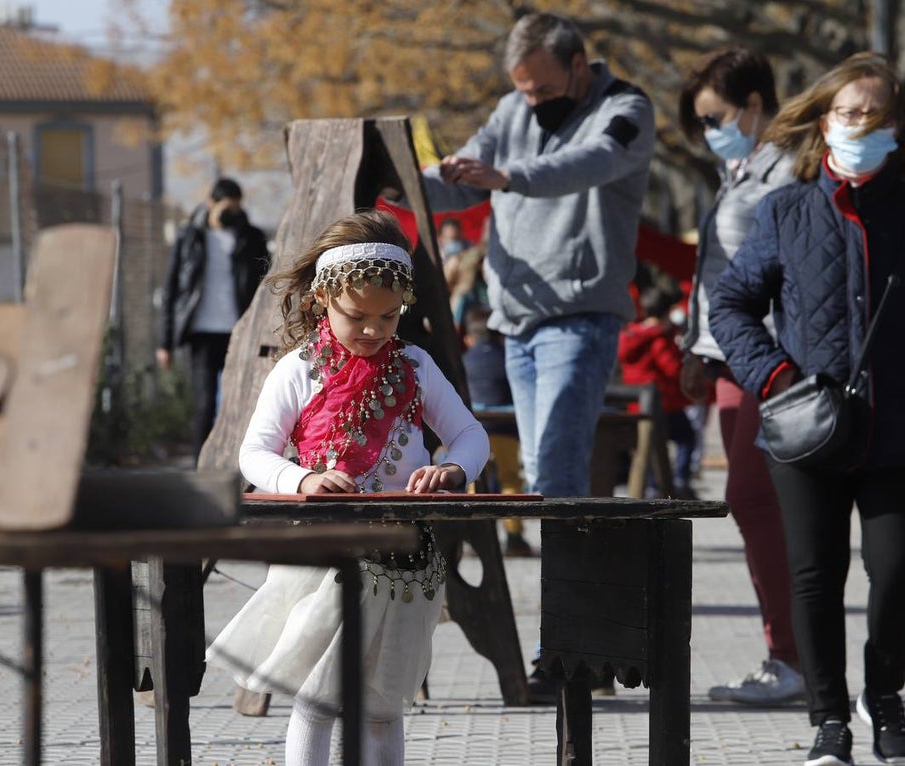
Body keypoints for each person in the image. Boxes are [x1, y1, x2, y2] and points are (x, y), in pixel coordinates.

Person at [709, 52, 905, 766]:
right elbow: (732, 303)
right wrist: (774, 379)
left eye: (875, 115)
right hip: (807, 428)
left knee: (899, 572)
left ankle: (882, 695)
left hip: (904, 430)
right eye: (848, 112)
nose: (860, 125)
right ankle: (829, 719)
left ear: (897, 129)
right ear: (823, 120)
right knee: (814, 574)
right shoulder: (786, 209)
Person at [416, 11, 656, 701]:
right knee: (553, 480)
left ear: (579, 66)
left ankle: (571, 652)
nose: (531, 102)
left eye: (544, 89)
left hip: (580, 319)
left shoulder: (625, 111)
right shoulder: (509, 110)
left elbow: (587, 165)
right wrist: (403, 178)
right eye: (522, 90)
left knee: (554, 472)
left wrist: (505, 175)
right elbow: (466, 179)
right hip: (515, 324)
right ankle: (586, 649)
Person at [206, 210, 490, 766]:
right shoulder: (298, 369)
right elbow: (254, 454)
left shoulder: (416, 365)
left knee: (383, 706)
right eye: (357, 316)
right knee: (318, 700)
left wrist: (454, 469)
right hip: (324, 555)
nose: (374, 330)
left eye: (389, 316)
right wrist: (304, 478)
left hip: (405, 561)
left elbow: (469, 434)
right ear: (321, 300)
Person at [677, 47, 805, 705]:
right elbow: (719, 273)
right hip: (729, 357)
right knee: (755, 506)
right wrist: (697, 348)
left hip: (770, 358)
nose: (708, 132)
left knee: (759, 502)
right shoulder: (738, 171)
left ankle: (796, 657)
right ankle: (788, 655)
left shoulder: (789, 172)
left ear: (754, 105)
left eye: (715, 117)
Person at [157, 177, 270, 464]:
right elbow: (172, 288)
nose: (232, 213)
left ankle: (239, 465)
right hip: (201, 333)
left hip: (239, 333)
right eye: (226, 208)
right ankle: (201, 467)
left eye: (236, 208)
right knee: (205, 404)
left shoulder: (251, 237)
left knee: (241, 403)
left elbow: (266, 283)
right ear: (210, 204)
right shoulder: (189, 236)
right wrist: (165, 342)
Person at [461, 306, 531, 556]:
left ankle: (476, 536)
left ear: (468, 338)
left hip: (474, 430)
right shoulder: (506, 358)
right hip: (505, 428)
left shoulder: (465, 360)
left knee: (474, 480)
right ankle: (514, 536)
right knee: (510, 478)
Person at [617, 282, 696, 498]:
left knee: (645, 447)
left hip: (635, 404)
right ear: (666, 312)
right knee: (686, 437)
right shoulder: (659, 338)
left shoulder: (630, 334)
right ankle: (679, 478)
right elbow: (670, 367)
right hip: (663, 403)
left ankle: (653, 485)